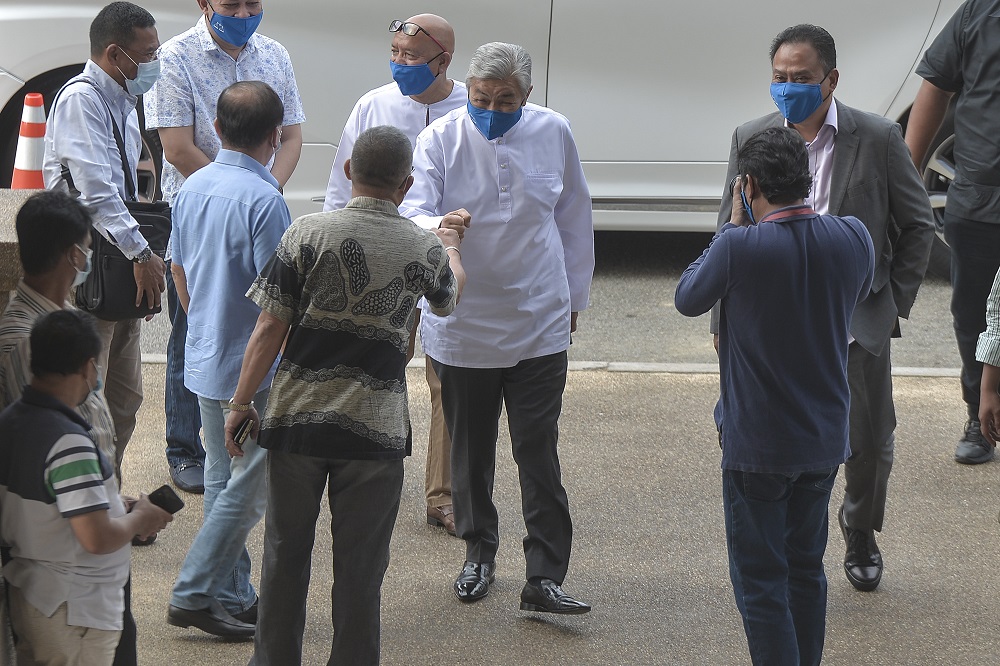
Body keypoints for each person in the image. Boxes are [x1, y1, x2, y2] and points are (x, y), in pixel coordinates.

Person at [224, 125, 463, 664]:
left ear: (350, 170)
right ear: (405, 185)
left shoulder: (307, 234)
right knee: (361, 570)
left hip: (296, 423)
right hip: (375, 433)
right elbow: (448, 300)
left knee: (285, 557)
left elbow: (268, 327)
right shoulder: (422, 248)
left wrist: (240, 403)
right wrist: (450, 248)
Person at [716, 24, 934, 593]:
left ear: (831, 80)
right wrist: (723, 318)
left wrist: (892, 307)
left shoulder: (879, 138)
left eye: (802, 79)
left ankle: (860, 529)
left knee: (867, 439)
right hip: (770, 327)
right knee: (774, 439)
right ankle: (791, 542)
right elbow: (729, 229)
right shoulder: (751, 137)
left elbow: (917, 226)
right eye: (780, 79)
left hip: (854, 325)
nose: (789, 89)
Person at [401, 41, 595, 613]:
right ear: (467, 90)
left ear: (527, 96)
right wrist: (441, 222)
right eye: (481, 97)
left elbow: (574, 215)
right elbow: (410, 208)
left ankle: (544, 575)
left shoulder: (553, 130)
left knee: (538, 450)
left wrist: (574, 295)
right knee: (470, 451)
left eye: (504, 99)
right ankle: (478, 553)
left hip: (537, 316)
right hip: (464, 321)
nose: (490, 108)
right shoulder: (440, 138)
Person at [678, 126, 875, 666]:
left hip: (758, 443)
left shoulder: (740, 246)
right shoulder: (854, 235)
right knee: (805, 569)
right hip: (824, 437)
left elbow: (688, 298)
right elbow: (857, 293)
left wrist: (730, 228)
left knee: (761, 580)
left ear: (749, 185)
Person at [144, 0, 306, 493]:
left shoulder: (274, 54)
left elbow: (293, 134)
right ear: (204, 4)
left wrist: (264, 188)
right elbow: (176, 148)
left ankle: (237, 427)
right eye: (231, 3)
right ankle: (184, 446)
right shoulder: (174, 57)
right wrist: (233, 190)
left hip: (254, 203)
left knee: (249, 322)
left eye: (252, 3)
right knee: (189, 332)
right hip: (200, 206)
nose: (244, 11)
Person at [323, 13, 468, 537]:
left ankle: (443, 494)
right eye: (395, 54)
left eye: (411, 56)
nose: (400, 64)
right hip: (379, 265)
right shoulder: (374, 105)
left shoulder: (468, 111)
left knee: (445, 381)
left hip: (438, 262)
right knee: (371, 371)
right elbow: (343, 189)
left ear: (444, 60)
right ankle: (357, 473)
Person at [165, 81, 291, 639]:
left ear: (214, 129)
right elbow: (276, 306)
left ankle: (232, 593)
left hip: (206, 356)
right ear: (276, 136)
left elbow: (178, 271)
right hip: (253, 370)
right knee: (246, 485)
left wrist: (202, 327)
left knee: (223, 477)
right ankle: (206, 591)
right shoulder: (267, 202)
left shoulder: (193, 187)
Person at [0, 191, 148, 666]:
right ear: (72, 254)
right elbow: (46, 441)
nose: (87, 257)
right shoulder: (26, 340)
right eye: (86, 247)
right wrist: (107, 510)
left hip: (88, 511)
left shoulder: (58, 321)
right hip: (66, 565)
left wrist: (105, 498)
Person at [0, 309, 172, 666]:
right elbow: (96, 538)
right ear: (87, 367)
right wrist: (141, 517)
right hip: (73, 610)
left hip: (33, 595)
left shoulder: (12, 422)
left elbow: (53, 501)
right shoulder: (69, 443)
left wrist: (107, 502)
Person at [42, 0, 167, 475]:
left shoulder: (122, 97)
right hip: (92, 269)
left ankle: (105, 496)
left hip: (118, 270)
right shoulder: (81, 99)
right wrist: (141, 251)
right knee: (83, 403)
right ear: (116, 54)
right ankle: (80, 510)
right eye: (148, 54)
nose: (153, 63)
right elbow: (96, 191)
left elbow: (126, 185)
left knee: (125, 399)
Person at [906, 0, 1000, 466]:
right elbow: (936, 86)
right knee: (974, 315)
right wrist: (904, 179)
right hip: (980, 202)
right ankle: (979, 419)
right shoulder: (977, 12)